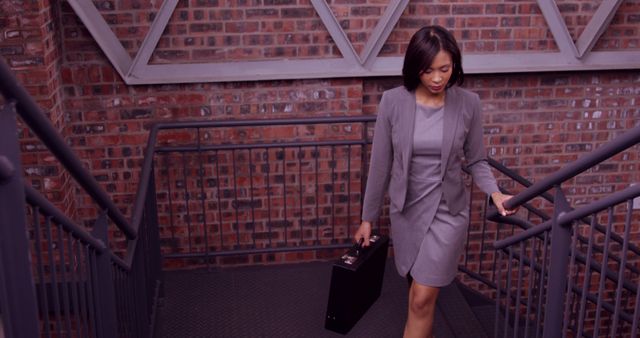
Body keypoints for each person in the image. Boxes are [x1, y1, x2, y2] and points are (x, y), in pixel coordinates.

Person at [354, 25, 516, 338]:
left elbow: (478, 159)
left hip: (447, 213)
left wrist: (495, 193)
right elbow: (380, 164)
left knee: (422, 298)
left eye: (445, 69)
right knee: (418, 297)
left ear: (455, 65)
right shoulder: (392, 102)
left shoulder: (469, 104)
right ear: (415, 68)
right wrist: (367, 219)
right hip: (407, 211)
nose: (438, 78)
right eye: (428, 71)